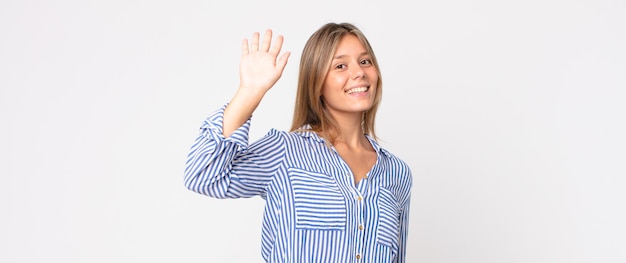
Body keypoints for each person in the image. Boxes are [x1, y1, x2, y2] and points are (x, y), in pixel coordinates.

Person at [184, 22, 412, 263]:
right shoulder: (285, 152)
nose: (359, 73)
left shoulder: (397, 173)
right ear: (317, 81)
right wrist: (249, 92)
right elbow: (202, 174)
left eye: (365, 61)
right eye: (341, 65)